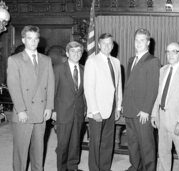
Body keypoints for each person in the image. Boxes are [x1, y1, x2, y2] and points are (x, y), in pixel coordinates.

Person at [7, 25, 54, 171]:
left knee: (38, 151)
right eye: (29, 39)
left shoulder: (46, 60)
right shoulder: (14, 60)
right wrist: (21, 110)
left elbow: (50, 84)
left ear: (39, 40)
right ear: (23, 40)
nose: (33, 42)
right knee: (21, 151)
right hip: (24, 112)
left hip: (41, 110)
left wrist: (49, 107)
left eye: (36, 39)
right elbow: (13, 87)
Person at [151, 42, 179, 171]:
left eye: (174, 51)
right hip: (163, 118)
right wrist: (154, 113)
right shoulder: (163, 70)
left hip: (178, 120)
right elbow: (159, 94)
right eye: (168, 51)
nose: (170, 55)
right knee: (163, 152)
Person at [122, 28, 160, 171]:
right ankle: (135, 166)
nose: (138, 43)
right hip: (130, 109)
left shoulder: (153, 60)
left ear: (148, 42)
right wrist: (124, 105)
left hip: (142, 112)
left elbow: (153, 88)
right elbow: (129, 85)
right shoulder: (131, 60)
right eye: (136, 40)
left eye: (142, 40)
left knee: (146, 145)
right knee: (133, 143)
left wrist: (146, 110)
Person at [84, 33, 122, 171]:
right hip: (97, 110)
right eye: (104, 43)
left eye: (109, 43)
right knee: (95, 142)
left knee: (107, 141)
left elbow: (118, 87)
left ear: (113, 45)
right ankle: (94, 168)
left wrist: (118, 107)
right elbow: (89, 88)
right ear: (99, 45)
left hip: (111, 108)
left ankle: (105, 168)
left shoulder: (116, 62)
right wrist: (94, 111)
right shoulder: (92, 61)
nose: (107, 46)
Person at [52, 41, 86, 171]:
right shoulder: (58, 69)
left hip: (79, 112)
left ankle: (73, 167)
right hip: (62, 112)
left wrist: (85, 109)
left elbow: (84, 93)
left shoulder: (84, 69)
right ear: (67, 53)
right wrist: (53, 109)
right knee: (63, 143)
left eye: (79, 51)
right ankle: (61, 168)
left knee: (75, 142)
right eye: (73, 51)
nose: (76, 54)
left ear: (82, 53)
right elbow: (53, 91)